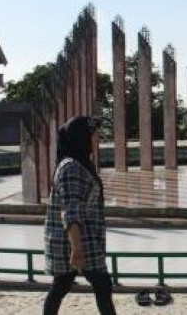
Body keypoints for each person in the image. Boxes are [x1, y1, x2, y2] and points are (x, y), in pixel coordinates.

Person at [43, 116, 116, 315]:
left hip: (84, 238)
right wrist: (76, 248)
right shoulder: (71, 167)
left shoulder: (79, 163)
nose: (98, 139)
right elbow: (71, 209)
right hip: (79, 241)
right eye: (94, 135)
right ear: (82, 137)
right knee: (102, 284)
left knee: (63, 284)